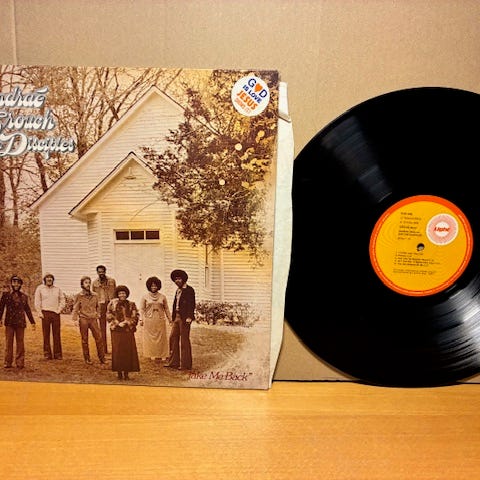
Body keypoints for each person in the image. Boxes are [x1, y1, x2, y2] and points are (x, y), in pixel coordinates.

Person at [0, 275, 36, 369]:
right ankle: (8, 362)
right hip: (9, 323)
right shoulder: (6, 295)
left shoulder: (24, 296)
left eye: (18, 282)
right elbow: (1, 308)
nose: (16, 284)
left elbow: (27, 310)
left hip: (20, 323)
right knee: (9, 343)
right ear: (11, 283)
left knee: (20, 343)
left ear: (20, 284)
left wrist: (32, 322)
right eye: (14, 282)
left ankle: (20, 362)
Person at [106, 285, 140, 380]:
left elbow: (135, 316)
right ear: (117, 294)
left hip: (127, 331)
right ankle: (119, 373)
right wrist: (117, 323)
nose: (122, 295)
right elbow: (108, 315)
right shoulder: (112, 304)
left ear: (126, 294)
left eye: (123, 293)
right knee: (117, 351)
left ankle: (126, 373)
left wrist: (127, 322)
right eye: (120, 293)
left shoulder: (131, 304)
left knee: (127, 352)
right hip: (116, 331)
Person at [164, 269, 195, 371]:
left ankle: (185, 364)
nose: (177, 281)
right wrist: (173, 318)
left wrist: (189, 317)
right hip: (176, 317)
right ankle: (173, 362)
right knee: (173, 337)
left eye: (179, 279)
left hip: (184, 318)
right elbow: (175, 305)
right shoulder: (177, 290)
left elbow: (191, 304)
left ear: (183, 279)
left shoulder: (189, 290)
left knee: (184, 340)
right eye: (175, 279)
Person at [71, 276, 106, 365]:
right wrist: (75, 319)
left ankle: (102, 358)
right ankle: (87, 358)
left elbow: (98, 306)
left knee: (99, 338)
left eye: (89, 282)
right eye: (86, 282)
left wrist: (98, 314)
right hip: (83, 319)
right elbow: (75, 308)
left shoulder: (95, 295)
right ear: (82, 284)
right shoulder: (79, 296)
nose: (88, 284)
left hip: (93, 319)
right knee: (85, 339)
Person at [34, 273, 66, 360]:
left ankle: (58, 354)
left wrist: (59, 310)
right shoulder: (40, 289)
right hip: (45, 313)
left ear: (53, 280)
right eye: (47, 278)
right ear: (45, 279)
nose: (49, 279)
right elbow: (37, 301)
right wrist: (39, 312)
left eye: (51, 278)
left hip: (55, 313)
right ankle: (47, 354)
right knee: (46, 334)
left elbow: (62, 300)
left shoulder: (57, 289)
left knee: (56, 334)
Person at [139, 276, 171, 362]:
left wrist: (170, 319)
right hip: (149, 320)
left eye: (155, 285)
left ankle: (163, 354)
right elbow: (141, 309)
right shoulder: (145, 297)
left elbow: (166, 309)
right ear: (149, 286)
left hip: (160, 319)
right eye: (152, 286)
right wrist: (141, 319)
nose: (154, 287)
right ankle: (152, 354)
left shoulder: (163, 297)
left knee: (161, 337)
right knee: (150, 338)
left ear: (158, 286)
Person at [92, 265, 116, 355]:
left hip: (111, 305)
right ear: (97, 272)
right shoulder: (94, 283)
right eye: (99, 272)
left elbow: (115, 294)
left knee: (114, 326)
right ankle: (104, 349)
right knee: (102, 329)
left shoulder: (112, 281)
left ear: (105, 271)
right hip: (101, 306)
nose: (101, 273)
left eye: (102, 271)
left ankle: (115, 349)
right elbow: (93, 296)